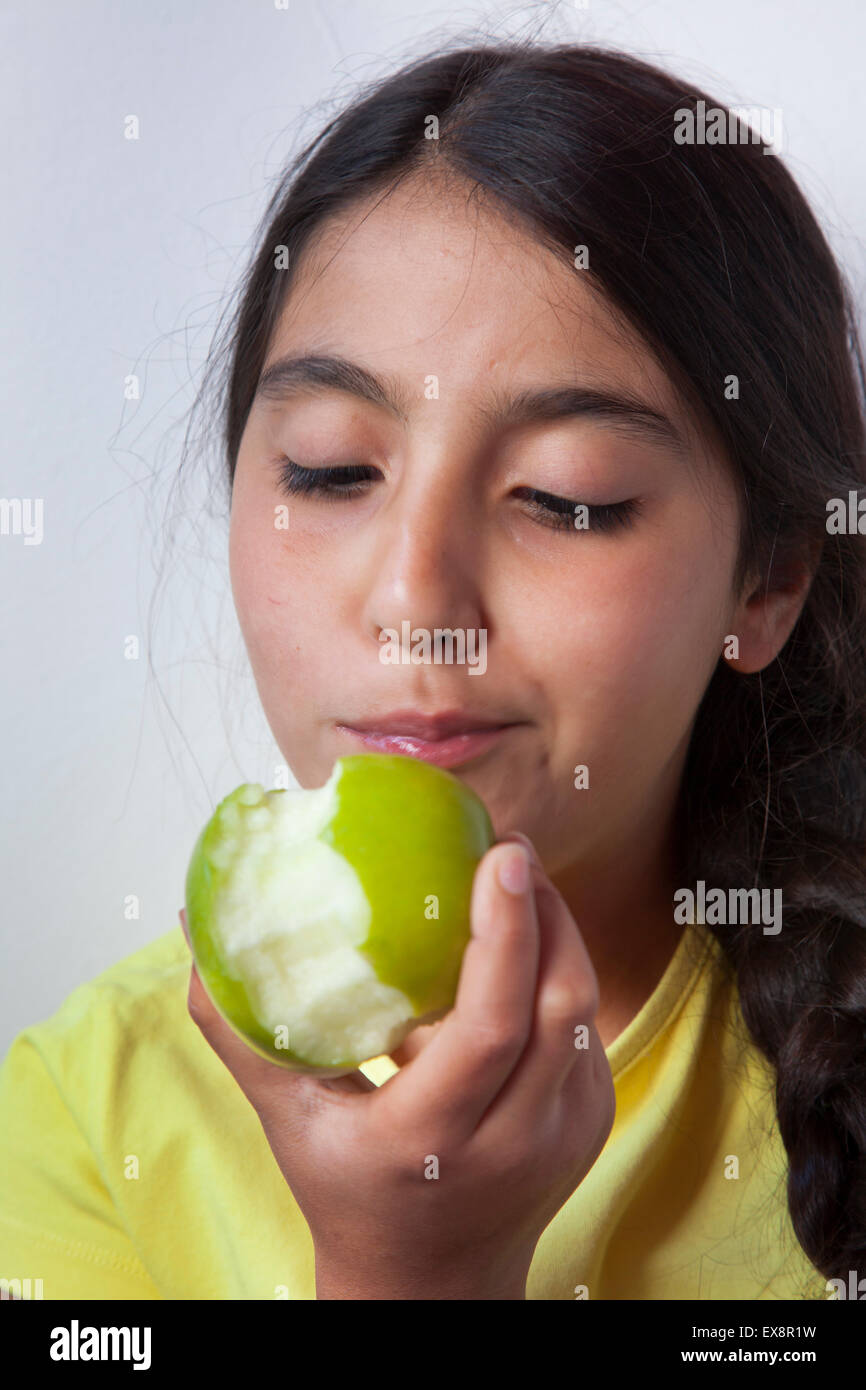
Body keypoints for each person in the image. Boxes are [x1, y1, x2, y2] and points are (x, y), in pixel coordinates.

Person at [2, 39, 865, 1301]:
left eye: (564, 499)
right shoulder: (83, 1115)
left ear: (767, 579)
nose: (416, 602)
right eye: (332, 472)